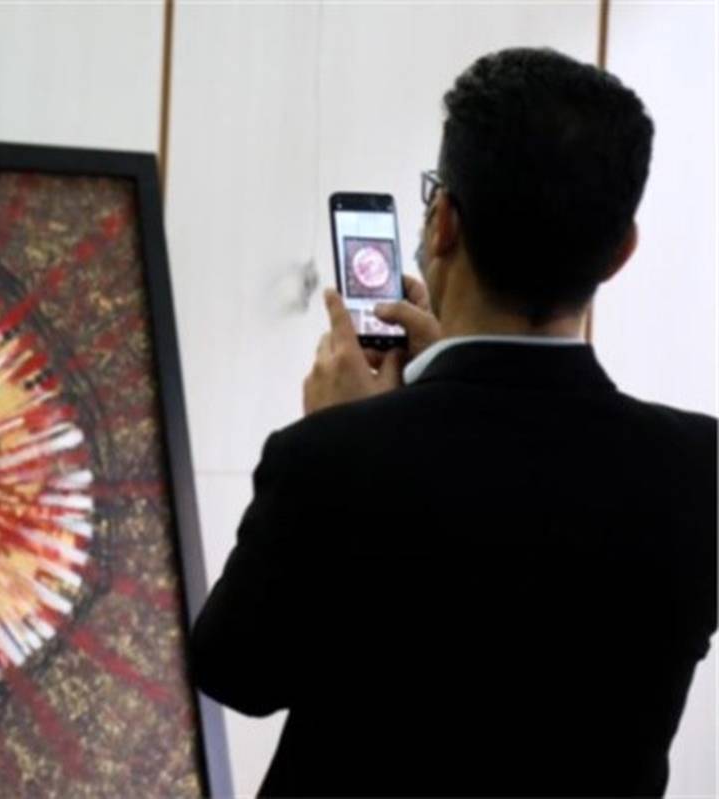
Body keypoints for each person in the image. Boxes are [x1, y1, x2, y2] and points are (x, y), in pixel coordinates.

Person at [189, 47, 716, 797]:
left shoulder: (335, 457)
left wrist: (356, 434)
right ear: (620, 252)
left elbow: (236, 673)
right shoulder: (700, 471)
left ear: (442, 224)